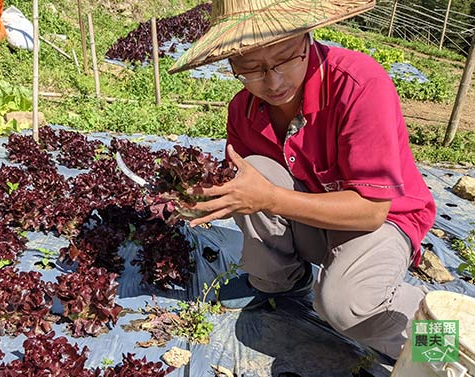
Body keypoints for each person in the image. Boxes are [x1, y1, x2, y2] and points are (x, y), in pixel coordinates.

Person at [168, 0, 436, 360]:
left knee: (345, 305)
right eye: (253, 69)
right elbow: (250, 191)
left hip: (383, 220)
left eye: (286, 58)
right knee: (250, 171)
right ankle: (282, 285)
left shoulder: (358, 85)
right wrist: (206, 199)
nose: (274, 81)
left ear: (306, 37)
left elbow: (372, 211)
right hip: (313, 216)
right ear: (232, 65)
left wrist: (269, 199)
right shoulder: (242, 111)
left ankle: (450, 337)